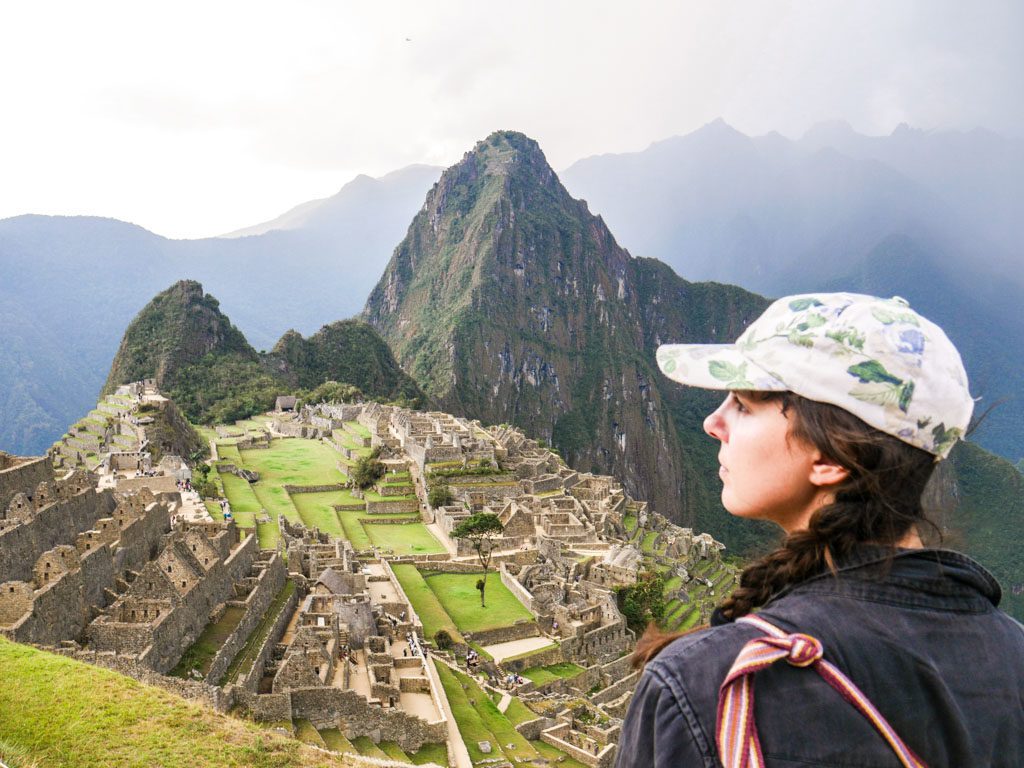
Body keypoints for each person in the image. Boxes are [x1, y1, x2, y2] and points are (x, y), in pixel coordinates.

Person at [616, 293, 1024, 767]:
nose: (713, 423)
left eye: (744, 405)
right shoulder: (1012, 656)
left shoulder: (709, 688)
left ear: (829, 456)